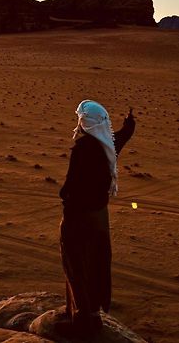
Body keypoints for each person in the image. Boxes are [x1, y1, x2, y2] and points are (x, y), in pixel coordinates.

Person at [58, 100, 135, 339]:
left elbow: (70, 187)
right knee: (96, 263)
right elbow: (120, 138)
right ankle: (90, 313)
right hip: (99, 218)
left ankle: (81, 320)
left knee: (76, 265)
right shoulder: (106, 146)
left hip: (79, 218)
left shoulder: (83, 149)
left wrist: (64, 198)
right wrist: (128, 126)